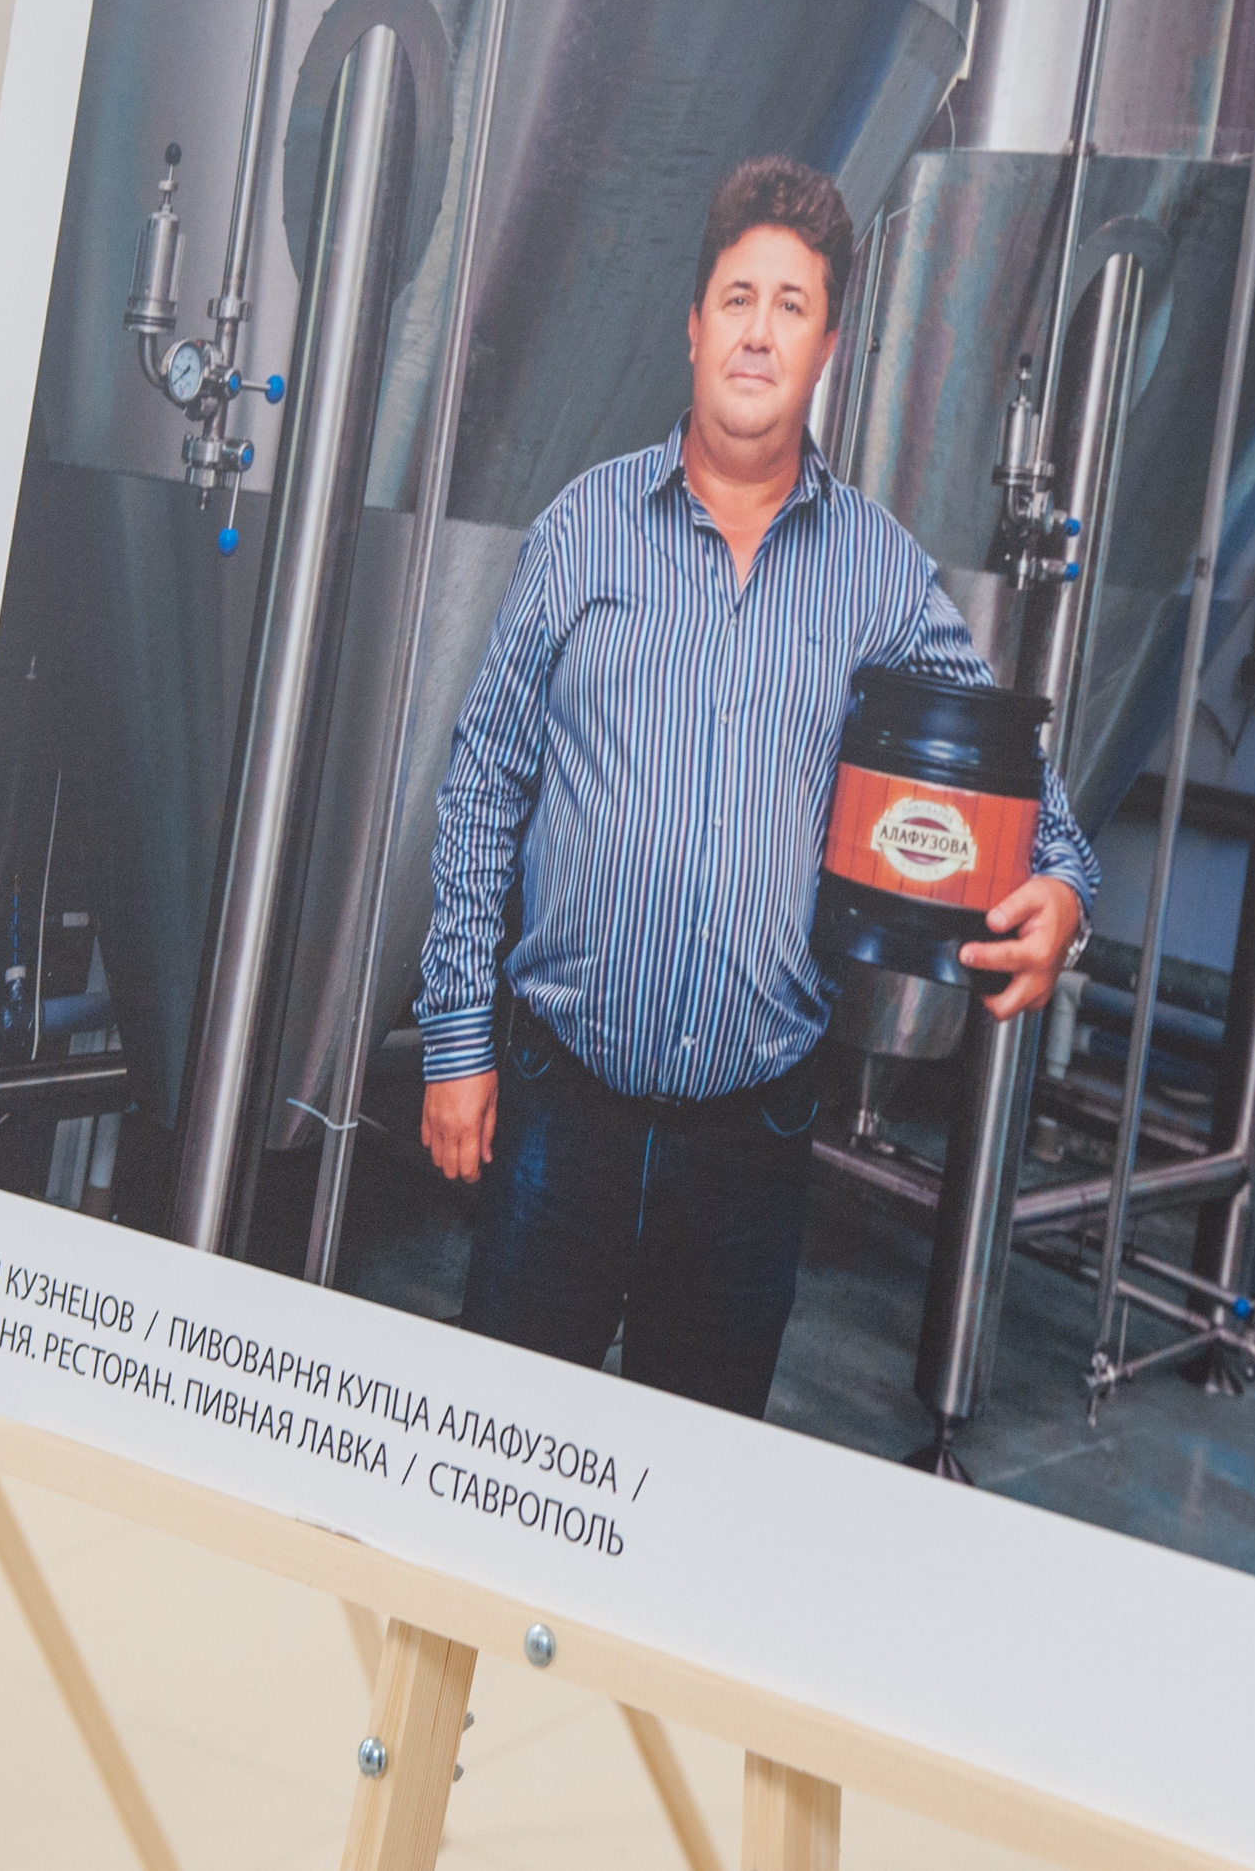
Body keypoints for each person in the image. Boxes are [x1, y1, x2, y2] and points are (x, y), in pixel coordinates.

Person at [415, 154, 1097, 1418]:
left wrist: (1061, 884)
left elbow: (1010, 774)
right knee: (503, 1458)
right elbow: (483, 786)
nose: (758, 330)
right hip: (562, 1112)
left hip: (752, 1145)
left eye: (792, 305)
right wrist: (457, 1043)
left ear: (826, 347)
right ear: (692, 324)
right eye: (737, 297)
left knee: (695, 1482)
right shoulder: (582, 530)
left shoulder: (878, 574)